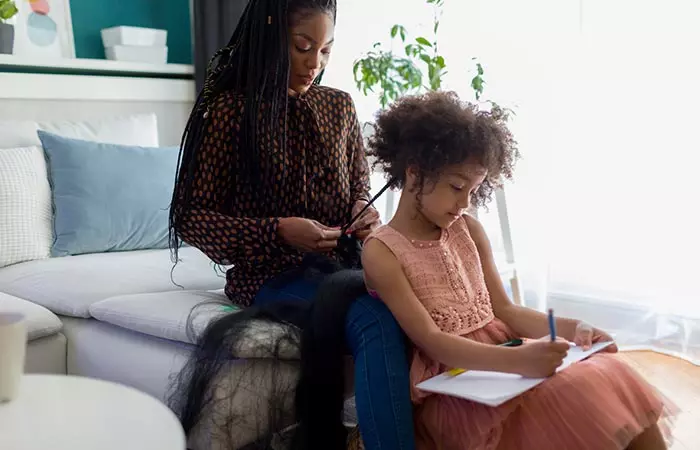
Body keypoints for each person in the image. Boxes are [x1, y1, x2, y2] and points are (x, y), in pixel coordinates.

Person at [361, 90, 677, 450]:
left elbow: (507, 311)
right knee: (579, 395)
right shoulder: (382, 251)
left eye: (474, 190)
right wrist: (516, 361)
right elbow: (433, 341)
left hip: (510, 363)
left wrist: (577, 330)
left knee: (608, 374)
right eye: (456, 187)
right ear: (414, 175)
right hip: (458, 387)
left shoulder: (468, 230)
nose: (465, 203)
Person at [168, 0, 415, 449]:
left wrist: (363, 211)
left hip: (346, 264)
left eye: (325, 51)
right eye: (302, 47)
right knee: (373, 318)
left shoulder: (339, 107)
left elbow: (359, 187)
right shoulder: (228, 112)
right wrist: (277, 230)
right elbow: (192, 218)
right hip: (270, 274)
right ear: (269, 39)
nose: (313, 63)